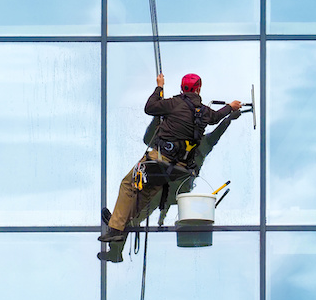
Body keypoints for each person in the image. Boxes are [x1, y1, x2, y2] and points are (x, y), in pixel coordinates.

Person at [99, 73, 242, 256]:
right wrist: (231, 107)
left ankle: (116, 230)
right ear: (198, 89)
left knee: (128, 185)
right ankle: (116, 246)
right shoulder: (204, 112)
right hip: (178, 169)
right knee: (142, 197)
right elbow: (217, 118)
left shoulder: (173, 104)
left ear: (183, 88)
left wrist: (159, 87)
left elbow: (150, 107)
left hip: (159, 160)